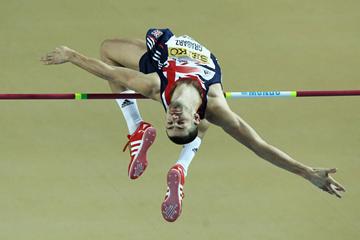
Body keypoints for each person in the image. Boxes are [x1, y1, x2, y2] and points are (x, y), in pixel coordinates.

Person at [41, 28, 345, 222]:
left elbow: (107, 71)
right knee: (215, 118)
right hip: (194, 65)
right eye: (180, 122)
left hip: (165, 59)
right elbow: (260, 146)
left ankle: (137, 129)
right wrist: (306, 171)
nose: (173, 118)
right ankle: (176, 162)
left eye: (170, 124)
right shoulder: (214, 106)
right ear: (194, 117)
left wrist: (71, 56)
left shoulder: (152, 86)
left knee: (108, 52)